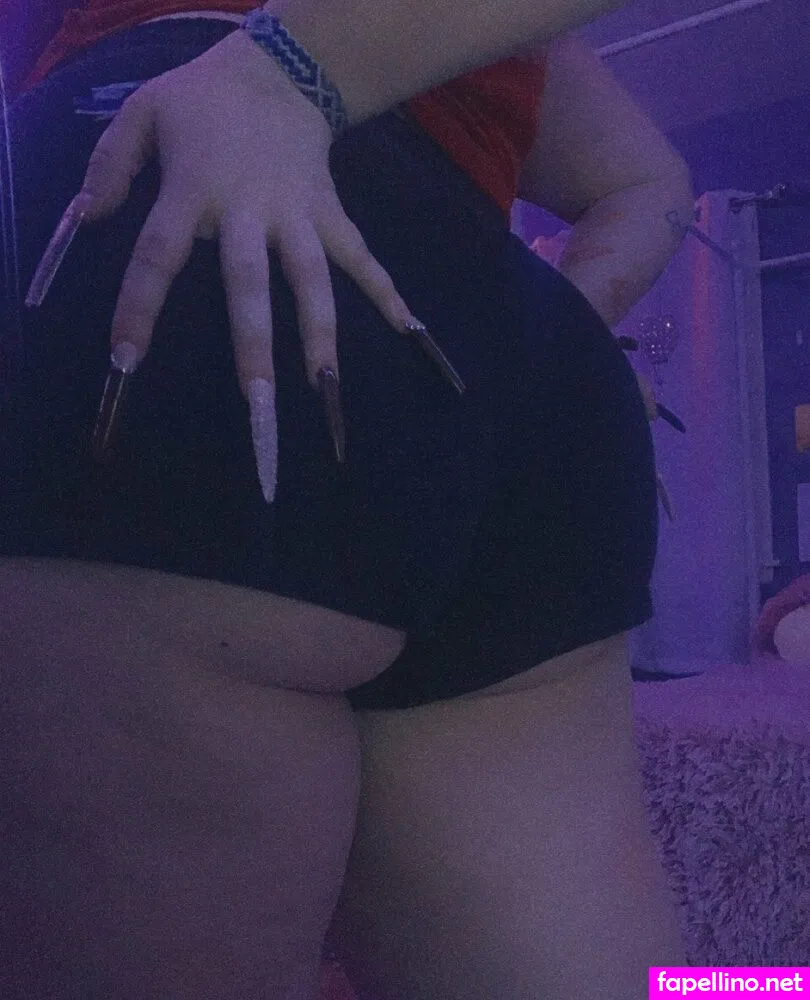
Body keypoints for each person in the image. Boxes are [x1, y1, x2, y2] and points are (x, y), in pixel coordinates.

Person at [0, 0, 696, 996]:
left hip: (167, 230)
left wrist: (285, 70)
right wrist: (540, 346)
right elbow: (649, 178)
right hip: (481, 327)